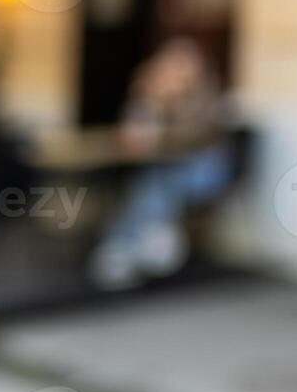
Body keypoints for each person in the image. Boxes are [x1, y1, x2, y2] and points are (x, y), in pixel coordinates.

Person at [88, 36, 234, 289]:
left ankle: (124, 245)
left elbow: (197, 135)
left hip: (205, 169)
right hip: (167, 167)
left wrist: (170, 108)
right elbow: (133, 132)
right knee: (148, 184)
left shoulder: (205, 96)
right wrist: (152, 101)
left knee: (156, 184)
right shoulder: (150, 90)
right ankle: (144, 239)